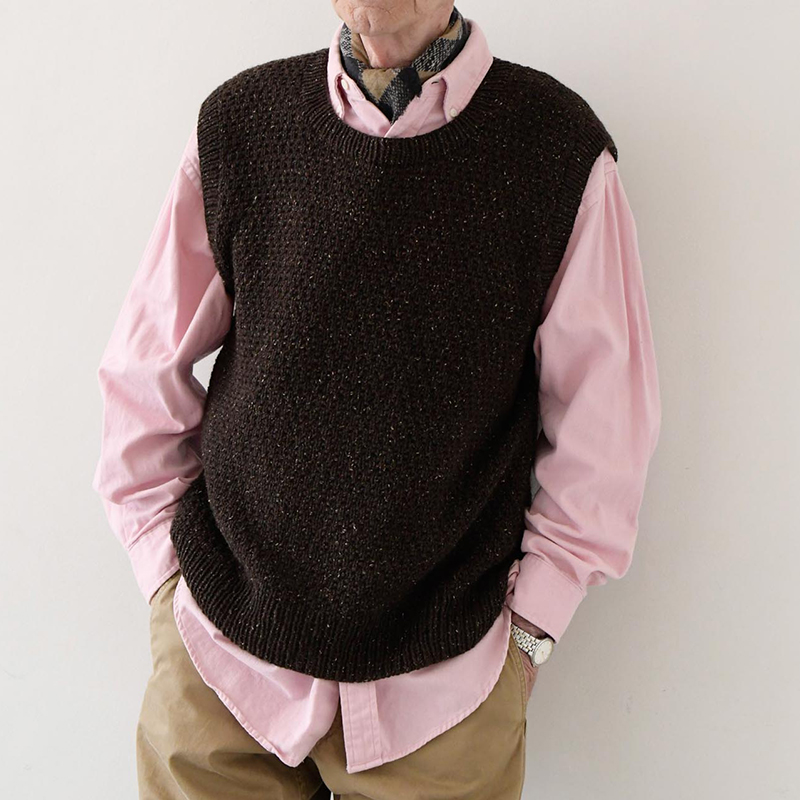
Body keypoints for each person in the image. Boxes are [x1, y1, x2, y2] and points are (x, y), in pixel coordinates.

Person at [92, 2, 661, 798]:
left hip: (445, 687)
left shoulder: (556, 150)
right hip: (221, 665)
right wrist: (165, 581)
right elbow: (143, 373)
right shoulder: (239, 127)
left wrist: (531, 635)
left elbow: (606, 434)